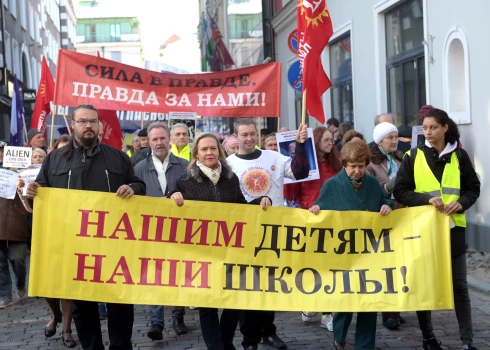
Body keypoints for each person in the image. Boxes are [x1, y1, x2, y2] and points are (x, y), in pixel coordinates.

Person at [25, 104, 146, 350]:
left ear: (100, 125)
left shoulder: (118, 157)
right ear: (73, 125)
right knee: (82, 305)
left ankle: (121, 346)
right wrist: (31, 194)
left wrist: (133, 188)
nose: (88, 125)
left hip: (113, 246)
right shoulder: (55, 159)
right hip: (73, 245)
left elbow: (138, 184)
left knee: (120, 302)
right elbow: (40, 193)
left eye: (93, 121)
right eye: (82, 121)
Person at [170, 132, 272, 350]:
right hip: (201, 253)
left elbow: (240, 206)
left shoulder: (230, 178)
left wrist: (261, 201)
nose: (209, 153)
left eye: (213, 148)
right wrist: (174, 197)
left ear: (220, 151)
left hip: (229, 251)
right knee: (207, 305)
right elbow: (171, 205)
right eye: (204, 149)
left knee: (232, 301)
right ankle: (216, 346)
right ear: (196, 153)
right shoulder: (184, 180)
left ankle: (225, 342)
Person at [393, 108, 480, 350]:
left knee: (460, 286)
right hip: (424, 231)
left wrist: (461, 203)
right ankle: (428, 338)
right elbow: (399, 191)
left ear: (445, 128)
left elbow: (473, 188)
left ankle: (467, 341)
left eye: (433, 127)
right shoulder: (413, 156)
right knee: (425, 284)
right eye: (425, 128)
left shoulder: (459, 156)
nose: (428, 132)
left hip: (454, 230)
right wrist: (425, 200)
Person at [227, 118, 309, 350]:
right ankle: (249, 338)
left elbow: (300, 171)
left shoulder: (274, 158)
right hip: (244, 231)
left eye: (253, 134)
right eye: (244, 135)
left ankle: (269, 331)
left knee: (269, 283)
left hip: (274, 230)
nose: (249, 138)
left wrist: (301, 145)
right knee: (247, 286)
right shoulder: (229, 163)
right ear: (237, 136)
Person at [309, 140, 393, 350]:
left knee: (368, 303)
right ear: (344, 164)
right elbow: (320, 209)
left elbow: (385, 202)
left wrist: (386, 206)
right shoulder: (332, 185)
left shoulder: (372, 183)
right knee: (344, 302)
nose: (357, 171)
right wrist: (316, 211)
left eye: (361, 166)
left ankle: (365, 346)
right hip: (342, 256)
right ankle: (339, 333)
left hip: (369, 254)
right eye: (352, 166)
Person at [134, 121, 190, 340]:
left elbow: (192, 194)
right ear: (148, 141)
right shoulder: (139, 168)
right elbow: (135, 197)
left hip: (179, 228)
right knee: (154, 275)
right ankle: (156, 322)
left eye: (162, 138)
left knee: (178, 272)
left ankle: (178, 316)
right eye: (155, 139)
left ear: (170, 139)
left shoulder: (185, 165)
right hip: (152, 230)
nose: (159, 143)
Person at [284, 126, 342, 331]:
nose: (330, 143)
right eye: (326, 139)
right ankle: (310, 303)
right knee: (310, 267)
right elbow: (291, 192)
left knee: (329, 267)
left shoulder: (337, 164)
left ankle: (328, 312)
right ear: (315, 141)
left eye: (332, 139)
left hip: (332, 220)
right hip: (308, 219)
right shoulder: (305, 164)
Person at [365, 122, 405, 330]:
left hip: (401, 215)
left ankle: (396, 308)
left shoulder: (400, 158)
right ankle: (388, 313)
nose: (394, 141)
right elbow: (373, 191)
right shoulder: (370, 164)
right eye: (390, 137)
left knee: (400, 265)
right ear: (380, 140)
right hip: (383, 217)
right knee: (386, 267)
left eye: (396, 137)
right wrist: (394, 183)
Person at [0, 140, 28, 310]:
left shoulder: (21, 171)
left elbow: (31, 192)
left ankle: (20, 282)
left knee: (17, 258)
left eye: (3, 151)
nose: (1, 155)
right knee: (0, 262)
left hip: (17, 220)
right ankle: (5, 295)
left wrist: (22, 184)